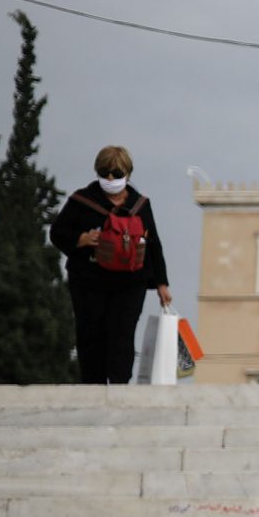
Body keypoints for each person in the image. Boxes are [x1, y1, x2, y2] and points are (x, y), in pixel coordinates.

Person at [50, 145, 171, 384]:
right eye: (105, 173)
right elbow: (57, 232)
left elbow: (153, 243)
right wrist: (81, 239)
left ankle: (119, 385)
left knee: (122, 333)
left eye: (116, 174)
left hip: (130, 282)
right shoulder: (82, 201)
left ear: (127, 174)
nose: (110, 179)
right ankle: (92, 386)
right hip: (89, 281)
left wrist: (161, 283)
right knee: (90, 332)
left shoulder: (141, 205)